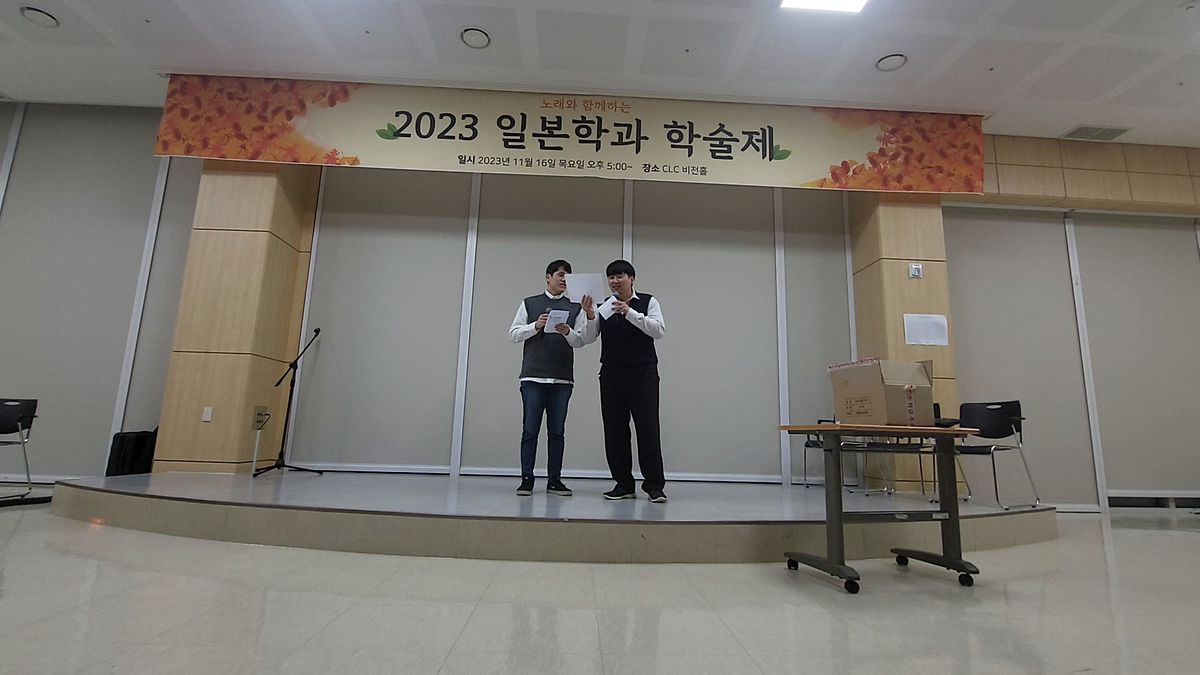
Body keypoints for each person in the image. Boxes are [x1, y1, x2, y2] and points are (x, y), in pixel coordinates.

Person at [581, 259, 668, 503]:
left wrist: (629, 312)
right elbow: (588, 338)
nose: (615, 281)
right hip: (611, 376)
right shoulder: (603, 306)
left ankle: (654, 486)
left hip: (643, 376)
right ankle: (623, 484)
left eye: (620, 276)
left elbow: (658, 330)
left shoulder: (648, 302)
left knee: (648, 429)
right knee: (615, 431)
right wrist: (590, 315)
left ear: (631, 278)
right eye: (611, 277)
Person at [508, 259, 594, 497]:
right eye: (560, 274)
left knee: (557, 432)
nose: (564, 279)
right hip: (533, 378)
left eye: (567, 276)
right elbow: (513, 334)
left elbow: (581, 341)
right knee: (530, 430)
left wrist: (567, 332)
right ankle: (527, 479)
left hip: (561, 379)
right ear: (548, 277)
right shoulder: (529, 303)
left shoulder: (575, 306)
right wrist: (535, 326)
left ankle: (555, 480)